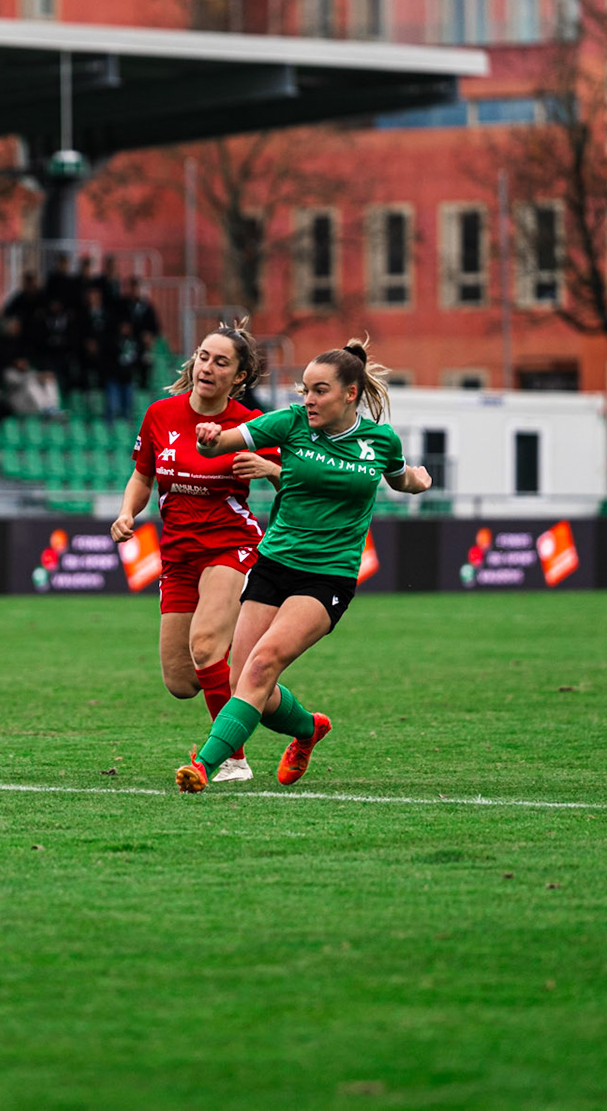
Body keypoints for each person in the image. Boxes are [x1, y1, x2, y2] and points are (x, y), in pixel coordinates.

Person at [173, 337, 434, 794]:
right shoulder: (291, 423)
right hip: (274, 564)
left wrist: (418, 480)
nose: (308, 400)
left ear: (349, 393)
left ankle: (204, 764)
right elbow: (224, 445)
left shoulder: (380, 441)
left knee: (260, 667)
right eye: (305, 390)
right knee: (246, 681)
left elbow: (401, 477)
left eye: (320, 391)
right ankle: (308, 730)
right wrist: (212, 438)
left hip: (328, 576)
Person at [112, 322, 280, 784]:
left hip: (231, 544)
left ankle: (232, 759)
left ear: (239, 376)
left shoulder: (250, 424)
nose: (207, 366)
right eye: (203, 356)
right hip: (178, 554)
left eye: (220, 361)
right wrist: (128, 512)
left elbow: (297, 482)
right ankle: (270, 697)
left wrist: (268, 467)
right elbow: (142, 476)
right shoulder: (160, 414)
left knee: (206, 647)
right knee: (182, 681)